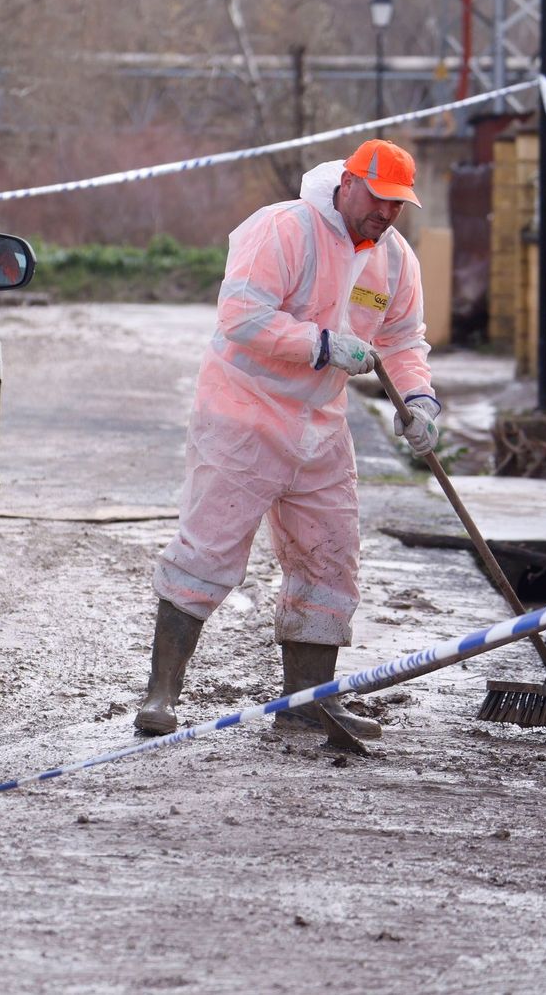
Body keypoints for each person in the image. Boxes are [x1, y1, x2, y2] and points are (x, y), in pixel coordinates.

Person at [134, 138, 441, 742]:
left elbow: (404, 341)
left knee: (329, 558)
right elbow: (241, 316)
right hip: (242, 415)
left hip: (320, 427)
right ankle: (161, 693)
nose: (386, 213)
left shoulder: (395, 259)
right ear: (348, 184)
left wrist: (420, 399)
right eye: (378, 199)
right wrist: (320, 344)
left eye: (398, 204)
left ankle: (307, 701)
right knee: (208, 550)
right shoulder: (284, 229)